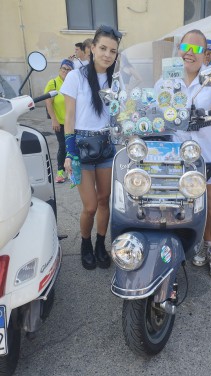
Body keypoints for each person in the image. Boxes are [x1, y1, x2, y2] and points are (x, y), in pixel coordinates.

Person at [162, 29, 211, 282]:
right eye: (186, 48)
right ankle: (202, 245)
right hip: (184, 161)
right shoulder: (168, 78)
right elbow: (152, 104)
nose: (190, 53)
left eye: (197, 49)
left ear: (205, 54)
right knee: (195, 211)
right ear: (180, 50)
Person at [60, 25, 122, 270]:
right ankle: (85, 243)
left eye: (113, 51)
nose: (107, 54)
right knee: (90, 205)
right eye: (103, 48)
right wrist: (70, 152)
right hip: (82, 147)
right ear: (93, 48)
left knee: (105, 200)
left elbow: (120, 115)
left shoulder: (116, 80)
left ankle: (100, 244)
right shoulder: (76, 76)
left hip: (107, 146)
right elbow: (70, 117)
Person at [44, 58, 74, 183]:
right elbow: (48, 102)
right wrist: (54, 120)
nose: (65, 71)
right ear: (60, 69)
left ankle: (73, 171)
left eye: (68, 69)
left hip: (73, 122)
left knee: (74, 147)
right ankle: (61, 171)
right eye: (63, 68)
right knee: (63, 146)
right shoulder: (53, 83)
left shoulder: (73, 82)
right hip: (60, 123)